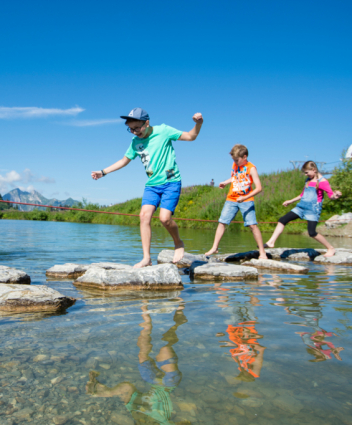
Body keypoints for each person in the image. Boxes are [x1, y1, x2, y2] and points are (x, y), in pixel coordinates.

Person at [91, 108, 204, 268]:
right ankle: (146, 258)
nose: (134, 132)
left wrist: (198, 124)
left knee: (164, 218)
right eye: (131, 129)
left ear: (147, 123)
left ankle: (178, 243)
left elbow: (191, 136)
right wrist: (103, 172)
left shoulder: (164, 131)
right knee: (144, 216)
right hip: (152, 185)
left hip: (171, 182)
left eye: (137, 128)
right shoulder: (135, 142)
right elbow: (124, 160)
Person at [86, 301, 187, 425]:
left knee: (143, 355)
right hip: (168, 385)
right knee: (165, 348)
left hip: (153, 382)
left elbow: (128, 387)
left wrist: (109, 392)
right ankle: (178, 319)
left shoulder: (135, 414)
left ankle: (146, 319)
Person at [264, 161, 341, 257]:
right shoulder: (308, 180)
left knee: (312, 233)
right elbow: (302, 194)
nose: (305, 175)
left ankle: (330, 248)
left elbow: (331, 195)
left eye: (306, 172)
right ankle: (271, 242)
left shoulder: (323, 182)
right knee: (282, 220)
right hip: (301, 207)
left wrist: (335, 195)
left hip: (313, 209)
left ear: (314, 170)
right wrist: (291, 201)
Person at [204, 144, 266, 259]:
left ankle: (262, 252)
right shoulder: (235, 165)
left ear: (245, 157)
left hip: (246, 200)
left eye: (237, 160)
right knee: (222, 222)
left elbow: (259, 188)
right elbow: (235, 177)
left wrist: (244, 197)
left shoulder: (251, 168)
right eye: (233, 160)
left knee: (252, 225)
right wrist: (226, 182)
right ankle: (214, 247)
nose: (235, 162)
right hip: (231, 199)